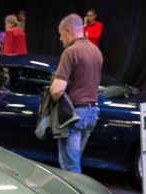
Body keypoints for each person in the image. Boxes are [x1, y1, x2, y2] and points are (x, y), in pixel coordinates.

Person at [49, 14, 102, 174]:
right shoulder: (96, 51)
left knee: (69, 168)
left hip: (74, 116)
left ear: (68, 30)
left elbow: (57, 89)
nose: (60, 38)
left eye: (61, 34)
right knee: (75, 161)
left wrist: (51, 95)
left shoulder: (70, 52)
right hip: (91, 113)